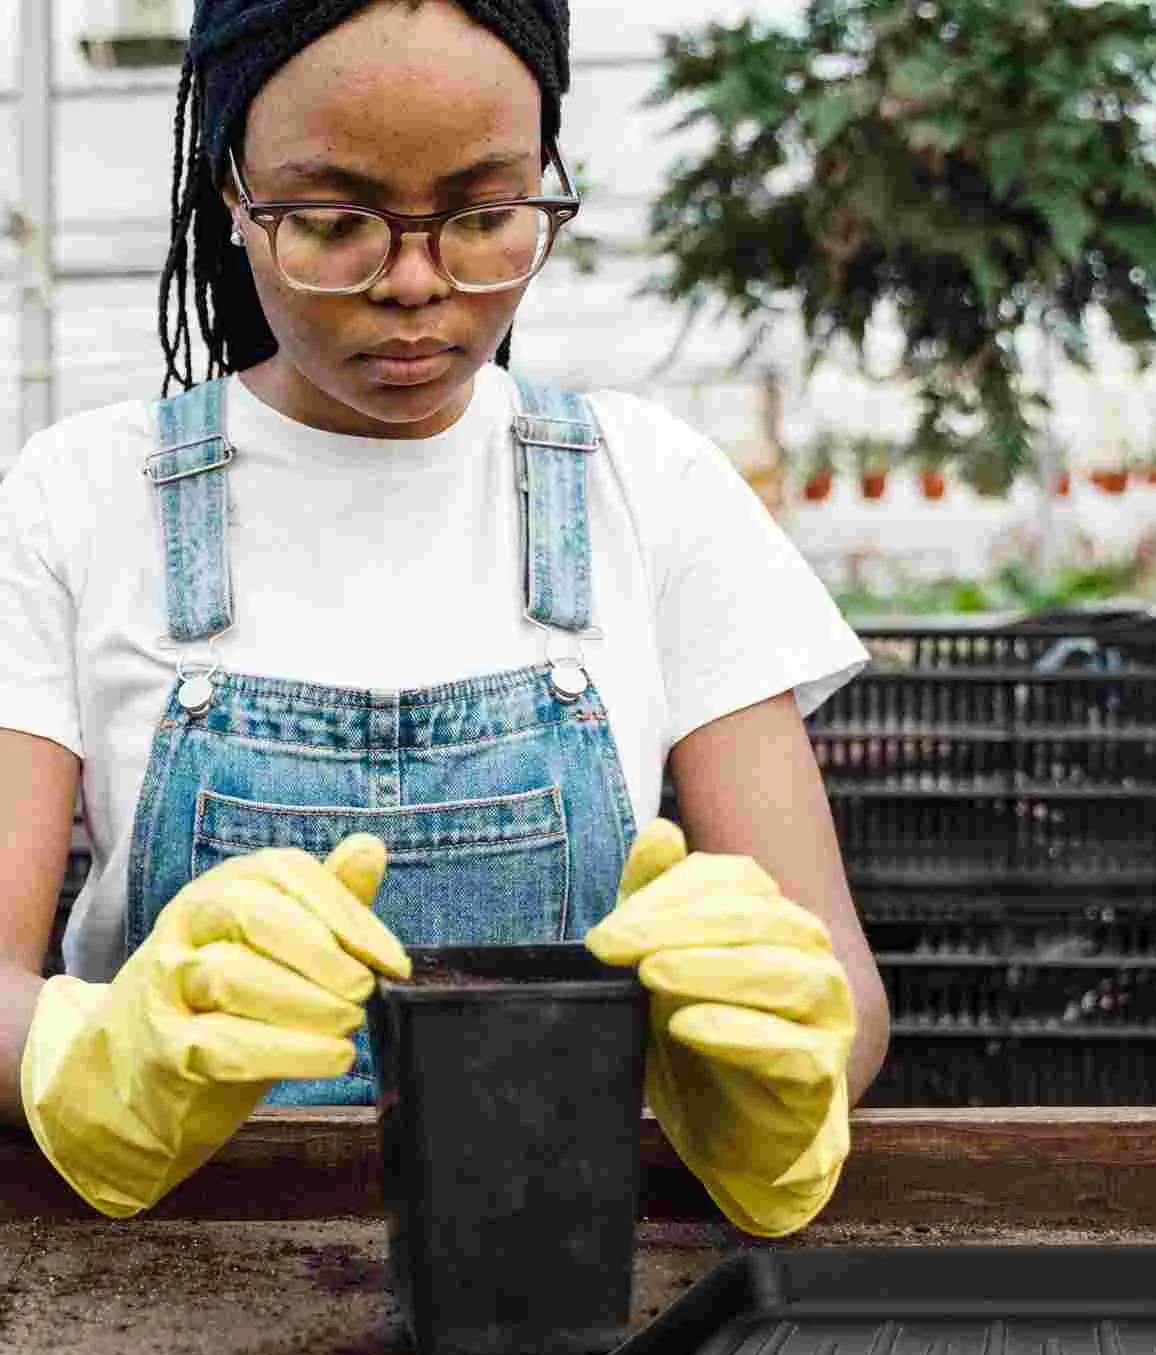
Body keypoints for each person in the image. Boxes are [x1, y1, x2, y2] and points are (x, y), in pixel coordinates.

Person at [0, 0, 889, 1237]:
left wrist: (775, 1064)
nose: (415, 286)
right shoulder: (82, 497)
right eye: (330, 223)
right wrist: (91, 1049)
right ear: (232, 194)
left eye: (482, 218)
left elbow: (840, 982)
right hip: (177, 1279)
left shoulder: (649, 485)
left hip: (557, 1260)